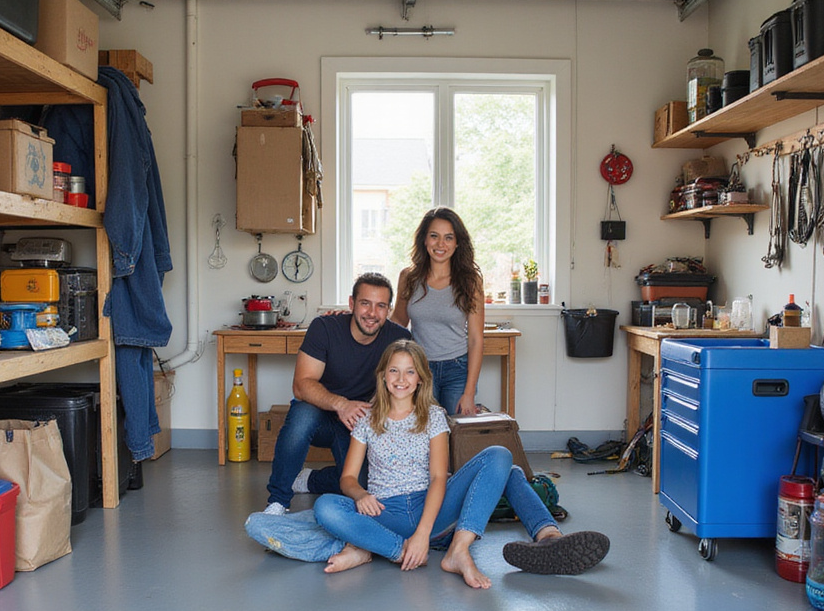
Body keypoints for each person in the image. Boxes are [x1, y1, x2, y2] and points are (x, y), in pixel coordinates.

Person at [312, 340, 609, 588]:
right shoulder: (367, 418)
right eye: (394, 371)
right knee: (325, 506)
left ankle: (459, 548)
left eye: (409, 372)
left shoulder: (433, 415)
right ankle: (398, 550)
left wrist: (422, 534)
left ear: (420, 379)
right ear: (383, 375)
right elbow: (348, 478)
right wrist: (360, 495)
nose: (401, 379)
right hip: (383, 510)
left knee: (501, 457)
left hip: (429, 508)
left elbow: (439, 478)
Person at [261, 273, 412, 515]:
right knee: (300, 419)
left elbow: (402, 388)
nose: (372, 313)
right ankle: (277, 501)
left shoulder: (398, 338)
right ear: (352, 304)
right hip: (320, 413)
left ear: (389, 309)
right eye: (365, 303)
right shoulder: (325, 328)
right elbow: (301, 385)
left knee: (361, 486)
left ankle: (311, 480)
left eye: (380, 306)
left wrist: (371, 410)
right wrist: (341, 404)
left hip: (358, 421)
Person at [391, 207, 486, 416]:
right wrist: (351, 320)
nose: (440, 244)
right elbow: (397, 321)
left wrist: (469, 393)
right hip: (419, 369)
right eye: (434, 236)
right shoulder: (409, 277)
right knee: (424, 433)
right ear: (424, 240)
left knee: (456, 434)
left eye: (448, 238)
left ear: (457, 242)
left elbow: (476, 340)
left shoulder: (470, 282)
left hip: (458, 369)